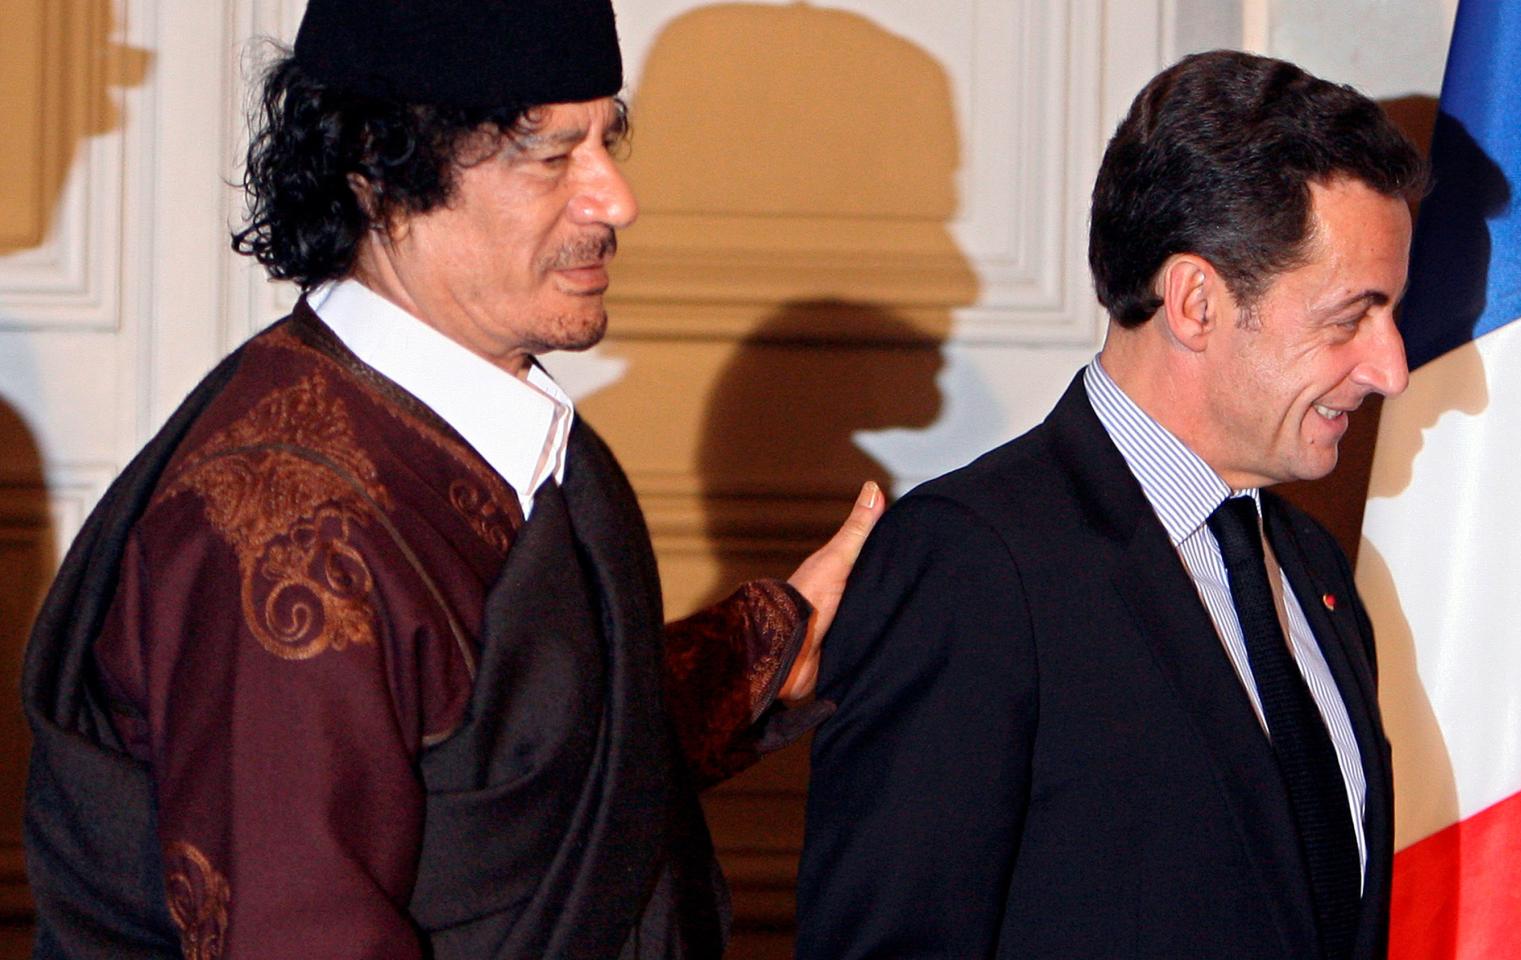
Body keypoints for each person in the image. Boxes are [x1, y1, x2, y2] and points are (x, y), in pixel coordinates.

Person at [20, 1, 883, 957]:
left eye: (608, 141)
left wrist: (765, 645)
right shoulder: (284, 529)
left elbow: (527, 767)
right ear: (380, 171)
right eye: (549, 156)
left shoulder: (508, 430)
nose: (615, 200)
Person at [796, 49, 1426, 960]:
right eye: (1349, 317)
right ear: (1196, 302)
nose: (1392, 368)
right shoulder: (973, 567)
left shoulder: (1315, 570)